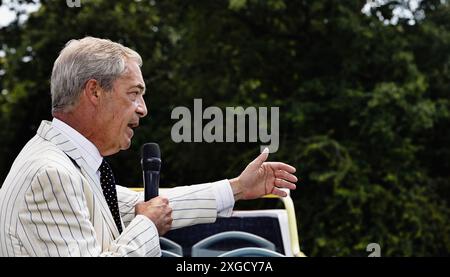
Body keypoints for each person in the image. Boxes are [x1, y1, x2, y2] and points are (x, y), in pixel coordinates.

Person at [0, 37, 298, 257]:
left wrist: (238, 188)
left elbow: (149, 207)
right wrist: (147, 226)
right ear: (94, 91)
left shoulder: (68, 163)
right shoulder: (52, 174)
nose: (143, 109)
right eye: (134, 94)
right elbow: (147, 216)